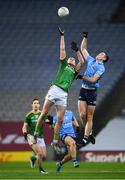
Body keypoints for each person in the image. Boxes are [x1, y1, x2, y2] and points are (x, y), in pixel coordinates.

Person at [34, 26, 84, 151]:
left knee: (60, 119)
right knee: (44, 113)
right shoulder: (64, 65)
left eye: (73, 59)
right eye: (70, 58)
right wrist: (62, 35)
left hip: (63, 94)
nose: (72, 58)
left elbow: (82, 62)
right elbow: (62, 50)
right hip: (55, 89)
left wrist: (77, 50)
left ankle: (55, 141)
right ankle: (35, 133)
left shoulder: (74, 72)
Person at [76, 32, 109, 145]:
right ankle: (89, 132)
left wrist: (81, 77)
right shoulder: (91, 60)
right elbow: (83, 48)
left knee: (89, 116)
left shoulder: (101, 68)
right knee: (82, 115)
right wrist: (85, 37)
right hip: (83, 90)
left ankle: (85, 137)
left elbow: (94, 80)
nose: (99, 53)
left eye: (101, 54)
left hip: (92, 92)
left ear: (103, 58)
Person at [22, 98, 48, 174]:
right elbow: (24, 126)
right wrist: (24, 132)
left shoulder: (42, 114)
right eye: (34, 103)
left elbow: (47, 121)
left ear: (39, 105)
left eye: (37, 103)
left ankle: (33, 158)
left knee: (44, 156)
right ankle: (41, 170)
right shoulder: (29, 115)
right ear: (32, 105)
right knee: (39, 153)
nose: (36, 104)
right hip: (31, 136)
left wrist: (51, 123)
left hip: (40, 136)